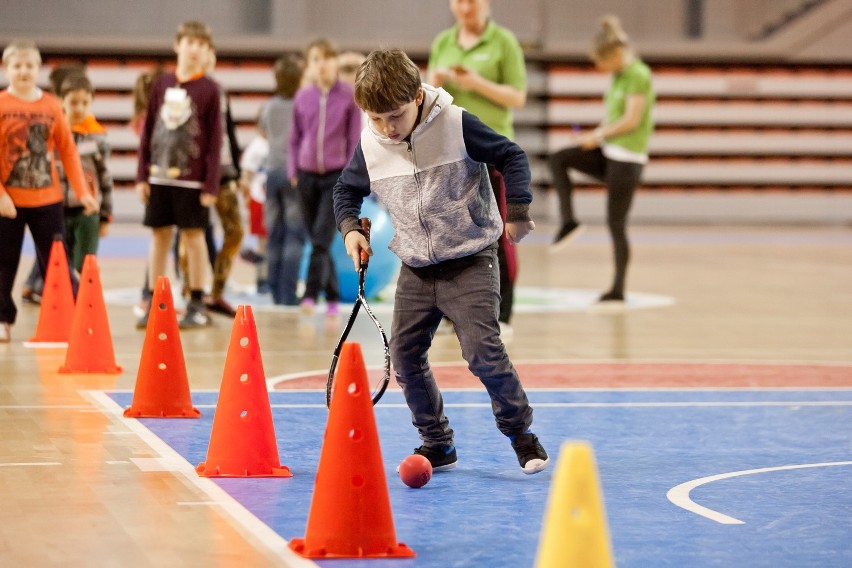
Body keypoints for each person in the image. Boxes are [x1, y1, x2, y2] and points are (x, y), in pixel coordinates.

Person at [333, 48, 548, 475]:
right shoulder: (370, 141)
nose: (386, 129)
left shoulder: (456, 123)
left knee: (483, 352)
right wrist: (350, 228)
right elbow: (346, 189)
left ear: (416, 97)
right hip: (414, 265)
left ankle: (522, 436)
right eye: (375, 119)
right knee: (405, 357)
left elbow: (512, 155)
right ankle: (437, 443)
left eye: (394, 116)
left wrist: (518, 209)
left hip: (470, 258)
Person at [428, 0, 528, 336]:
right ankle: (449, 313)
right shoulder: (443, 42)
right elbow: (428, 96)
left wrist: (476, 84)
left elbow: (517, 96)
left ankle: (504, 313)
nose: (464, 8)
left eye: (471, 2)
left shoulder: (504, 43)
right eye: (458, 2)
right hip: (451, 154)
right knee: (450, 235)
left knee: (498, 235)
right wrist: (436, 82)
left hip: (492, 153)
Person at [548, 15, 655, 304]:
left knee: (616, 223)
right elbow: (614, 119)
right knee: (558, 159)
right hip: (610, 152)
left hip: (627, 159)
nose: (599, 67)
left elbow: (631, 120)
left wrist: (596, 135)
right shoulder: (619, 76)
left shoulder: (638, 75)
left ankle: (618, 288)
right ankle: (569, 221)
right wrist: (591, 138)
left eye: (602, 61)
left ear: (617, 54)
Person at [0, 39, 98, 342]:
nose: (24, 71)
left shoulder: (52, 105)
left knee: (57, 262)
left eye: (29, 65)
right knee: (4, 263)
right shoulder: (2, 104)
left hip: (48, 200)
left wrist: (82, 192)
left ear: (38, 68)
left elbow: (68, 151)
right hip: (9, 202)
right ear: (6, 69)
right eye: (17, 65)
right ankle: (3, 318)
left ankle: (72, 317)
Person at [135, 20, 222, 329]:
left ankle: (197, 301)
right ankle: (156, 299)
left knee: (194, 237)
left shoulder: (210, 89)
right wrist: (141, 174)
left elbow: (215, 139)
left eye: (201, 44)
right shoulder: (161, 84)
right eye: (190, 42)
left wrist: (211, 183)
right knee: (158, 236)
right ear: (177, 45)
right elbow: (148, 130)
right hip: (158, 177)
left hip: (193, 180)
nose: (195, 49)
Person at [21, 71, 114, 304]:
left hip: (87, 212)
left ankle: (89, 300)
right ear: (60, 101)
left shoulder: (98, 138)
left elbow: (105, 179)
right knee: (59, 258)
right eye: (73, 102)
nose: (79, 108)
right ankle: (56, 296)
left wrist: (105, 216)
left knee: (86, 260)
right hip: (56, 208)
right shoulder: (50, 133)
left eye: (85, 103)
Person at [289, 38, 361, 316]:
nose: (322, 65)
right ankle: (331, 294)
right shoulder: (303, 97)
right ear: (310, 65)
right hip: (306, 176)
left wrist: (350, 175)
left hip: (335, 177)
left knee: (320, 238)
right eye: (316, 59)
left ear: (335, 62)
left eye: (328, 58)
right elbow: (295, 138)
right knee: (317, 239)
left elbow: (354, 138)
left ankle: (309, 294)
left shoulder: (348, 96)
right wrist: (293, 170)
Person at [260, 52, 306, 305]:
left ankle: (274, 288)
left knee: (274, 233)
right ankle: (288, 293)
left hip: (272, 171)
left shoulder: (270, 106)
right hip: (293, 173)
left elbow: (264, 131)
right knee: (294, 235)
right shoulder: (301, 104)